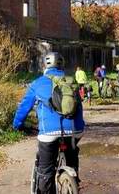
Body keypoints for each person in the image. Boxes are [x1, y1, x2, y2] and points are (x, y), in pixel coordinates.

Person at [13, 52, 85, 194]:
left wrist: (17, 125)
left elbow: (24, 107)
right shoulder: (70, 82)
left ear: (45, 65)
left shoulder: (37, 83)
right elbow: (79, 108)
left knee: (45, 169)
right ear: (62, 65)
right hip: (75, 130)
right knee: (71, 154)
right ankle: (73, 177)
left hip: (50, 132)